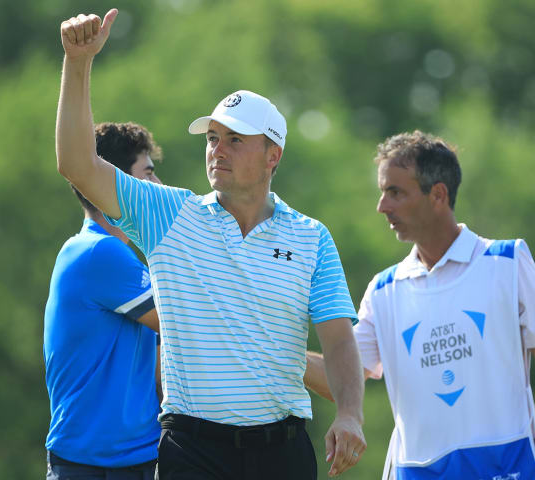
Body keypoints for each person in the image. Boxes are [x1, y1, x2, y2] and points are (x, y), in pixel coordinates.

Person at [56, 9, 366, 480]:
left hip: (282, 451)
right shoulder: (168, 213)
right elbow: (78, 164)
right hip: (192, 451)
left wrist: (349, 414)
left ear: (272, 155)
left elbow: (339, 338)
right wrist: (78, 63)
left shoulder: (311, 237)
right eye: (213, 137)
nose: (217, 149)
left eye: (235, 140)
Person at [305, 131, 535, 479]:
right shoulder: (383, 290)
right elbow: (343, 378)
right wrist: (271, 350)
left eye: (395, 192)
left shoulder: (508, 261)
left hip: (507, 466)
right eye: (383, 193)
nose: (383, 206)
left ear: (438, 194)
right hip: (417, 471)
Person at [44, 122, 163, 480]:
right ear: (117, 183)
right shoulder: (101, 253)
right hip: (97, 468)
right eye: (148, 174)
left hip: (125, 461)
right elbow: (188, 319)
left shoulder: (110, 254)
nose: (158, 187)